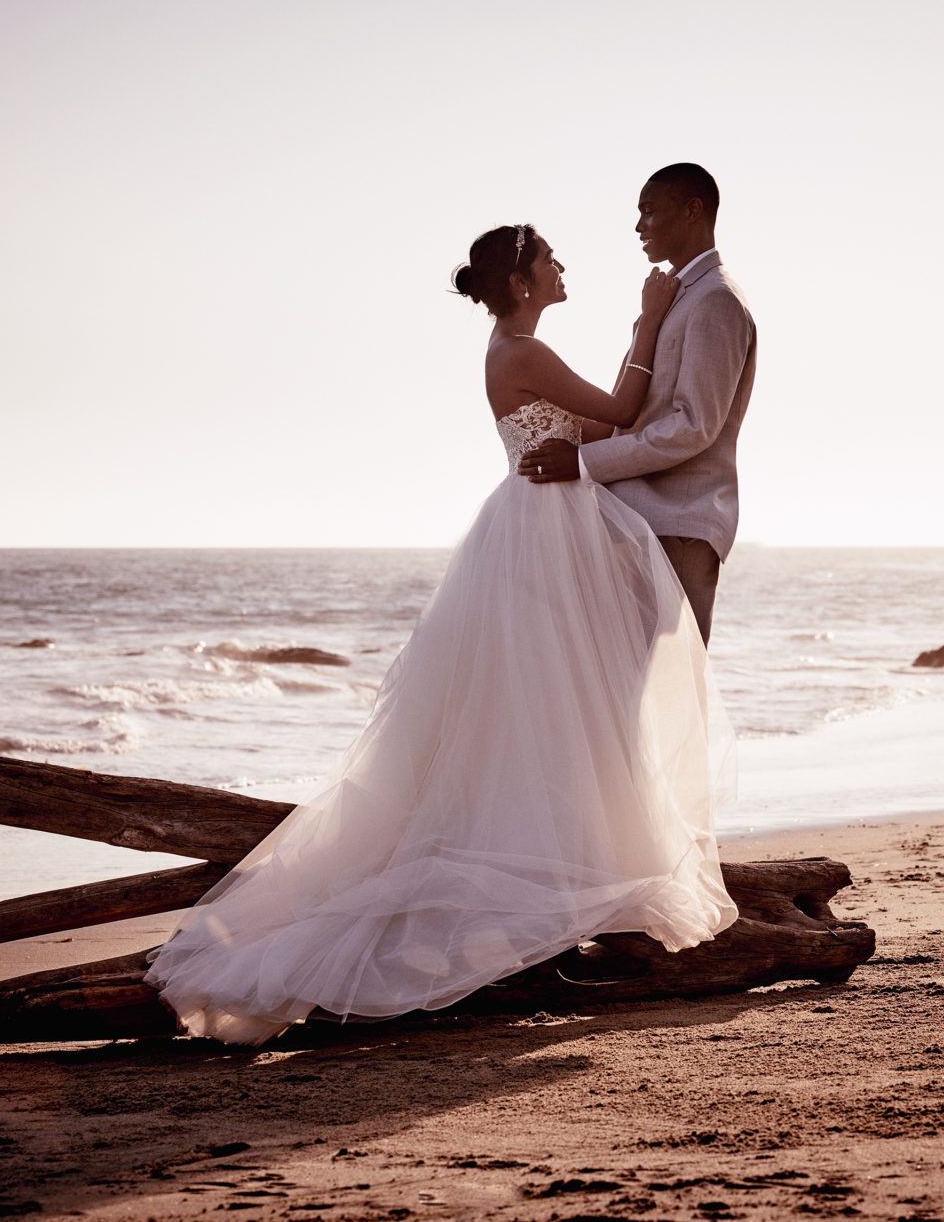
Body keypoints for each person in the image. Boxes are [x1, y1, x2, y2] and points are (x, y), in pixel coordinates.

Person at [144, 223, 739, 1044]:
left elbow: (598, 431)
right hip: (544, 530)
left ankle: (558, 889)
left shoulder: (519, 348)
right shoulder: (518, 352)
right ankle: (527, 898)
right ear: (525, 281)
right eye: (551, 258)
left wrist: (619, 403)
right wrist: (647, 321)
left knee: (557, 710)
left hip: (550, 517)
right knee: (549, 705)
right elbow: (626, 410)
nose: (564, 267)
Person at [518, 163, 757, 644]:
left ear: (693, 211)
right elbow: (632, 412)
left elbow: (693, 426)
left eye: (649, 212)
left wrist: (582, 462)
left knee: (668, 691)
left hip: (680, 526)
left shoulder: (717, 301)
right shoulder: (670, 295)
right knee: (622, 688)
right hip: (639, 522)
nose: (638, 226)